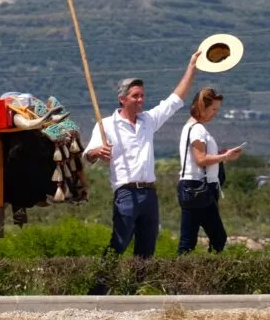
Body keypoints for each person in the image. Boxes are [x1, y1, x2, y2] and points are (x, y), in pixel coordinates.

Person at [83, 50, 201, 258]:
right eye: (135, 96)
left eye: (142, 95)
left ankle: (136, 290)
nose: (140, 100)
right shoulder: (107, 125)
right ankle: (99, 289)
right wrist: (97, 151)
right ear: (122, 99)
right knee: (119, 242)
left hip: (149, 193)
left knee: (147, 249)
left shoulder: (148, 121)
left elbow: (174, 100)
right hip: (126, 192)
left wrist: (192, 67)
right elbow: (88, 156)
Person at [177, 87, 243, 254]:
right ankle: (208, 274)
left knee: (189, 240)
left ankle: (189, 275)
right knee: (216, 237)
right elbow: (201, 160)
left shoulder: (191, 127)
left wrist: (218, 155)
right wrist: (226, 157)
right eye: (213, 109)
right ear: (202, 107)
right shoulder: (197, 129)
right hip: (198, 188)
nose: (215, 113)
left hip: (193, 187)